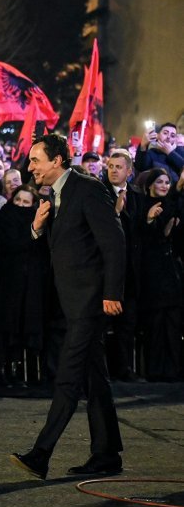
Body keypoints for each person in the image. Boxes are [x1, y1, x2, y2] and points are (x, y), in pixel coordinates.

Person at [11, 134, 126, 480]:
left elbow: (114, 242)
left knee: (68, 377)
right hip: (72, 301)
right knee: (94, 376)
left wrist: (112, 292)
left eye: (35, 160)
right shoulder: (54, 196)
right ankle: (106, 454)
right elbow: (64, 247)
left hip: (91, 302)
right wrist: (37, 227)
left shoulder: (87, 189)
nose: (30, 167)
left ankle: (41, 453)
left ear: (57, 160)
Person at [0, 185, 48, 386]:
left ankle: (21, 373)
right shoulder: (3, 218)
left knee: (25, 327)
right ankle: (1, 371)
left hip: (30, 284)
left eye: (26, 202)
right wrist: (32, 233)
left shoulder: (41, 222)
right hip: (6, 284)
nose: (21, 206)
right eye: (18, 201)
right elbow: (9, 244)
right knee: (7, 328)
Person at [102, 150, 144, 382]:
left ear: (129, 171)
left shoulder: (137, 195)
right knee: (103, 325)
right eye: (111, 166)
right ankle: (104, 371)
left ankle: (125, 369)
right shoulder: (100, 193)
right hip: (108, 272)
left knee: (127, 326)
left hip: (131, 273)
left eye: (119, 167)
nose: (114, 170)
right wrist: (115, 213)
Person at [137, 168, 182, 381]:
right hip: (151, 274)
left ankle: (173, 369)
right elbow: (142, 240)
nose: (164, 185)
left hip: (171, 273)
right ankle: (155, 370)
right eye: (159, 182)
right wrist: (149, 220)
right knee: (154, 326)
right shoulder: (142, 206)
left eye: (167, 182)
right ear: (150, 185)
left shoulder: (173, 206)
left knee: (173, 325)